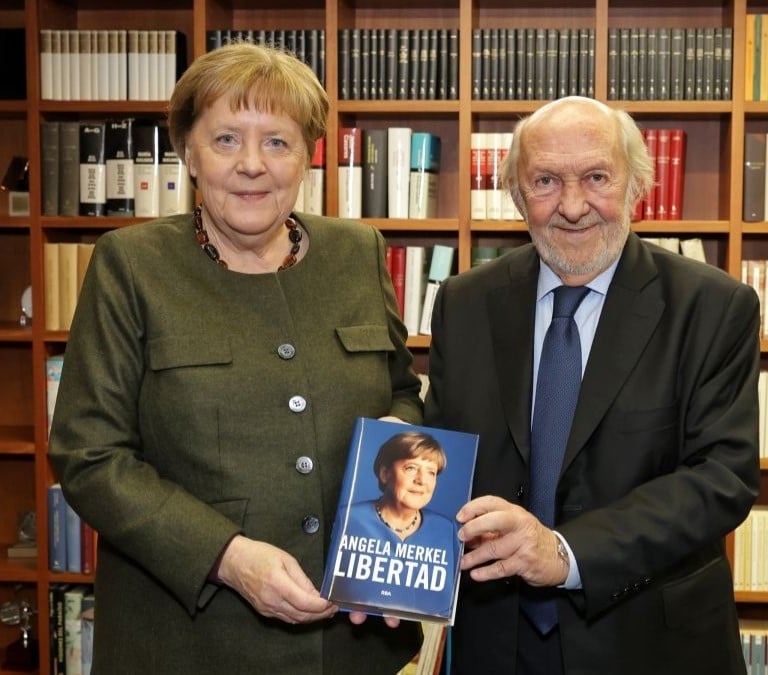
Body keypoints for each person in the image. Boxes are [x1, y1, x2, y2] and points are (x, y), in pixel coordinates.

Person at [47, 42, 424, 675]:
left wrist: (398, 439)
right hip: (191, 643)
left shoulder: (358, 251)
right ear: (188, 152)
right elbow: (90, 458)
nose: (252, 165)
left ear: (308, 155)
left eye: (277, 142)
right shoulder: (131, 265)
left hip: (353, 643)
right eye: (226, 139)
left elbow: (401, 392)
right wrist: (225, 556)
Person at [424, 96, 761, 675]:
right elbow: (441, 452)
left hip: (650, 642)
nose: (573, 206)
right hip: (495, 640)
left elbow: (721, 476)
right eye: (546, 180)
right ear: (516, 195)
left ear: (637, 186)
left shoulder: (713, 306)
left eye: (597, 177)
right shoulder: (464, 301)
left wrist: (563, 553)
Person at [329, 431, 459, 616]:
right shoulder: (348, 519)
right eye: (411, 468)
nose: (421, 480)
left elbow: (444, 607)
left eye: (431, 472)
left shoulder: (447, 530)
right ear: (385, 474)